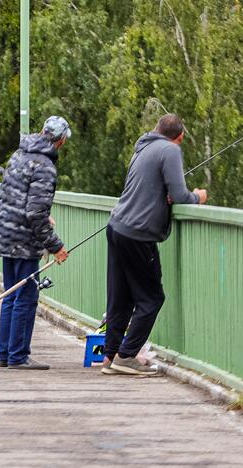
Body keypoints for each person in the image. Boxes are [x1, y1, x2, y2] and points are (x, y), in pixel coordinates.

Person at [103, 114, 207, 375]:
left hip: (117, 226)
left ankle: (110, 356)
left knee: (121, 297)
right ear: (179, 137)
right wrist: (198, 196)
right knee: (151, 298)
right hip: (138, 233)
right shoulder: (170, 150)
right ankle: (126, 356)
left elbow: (155, 189)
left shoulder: (144, 147)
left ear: (157, 129)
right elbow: (182, 195)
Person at [0, 116, 71, 370]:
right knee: (25, 297)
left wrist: (43, 216)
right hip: (24, 241)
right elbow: (34, 213)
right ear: (61, 140)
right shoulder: (45, 165)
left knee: (11, 295)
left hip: (5, 233)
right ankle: (18, 356)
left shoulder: (19, 154)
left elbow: (16, 197)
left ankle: (4, 354)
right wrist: (55, 246)